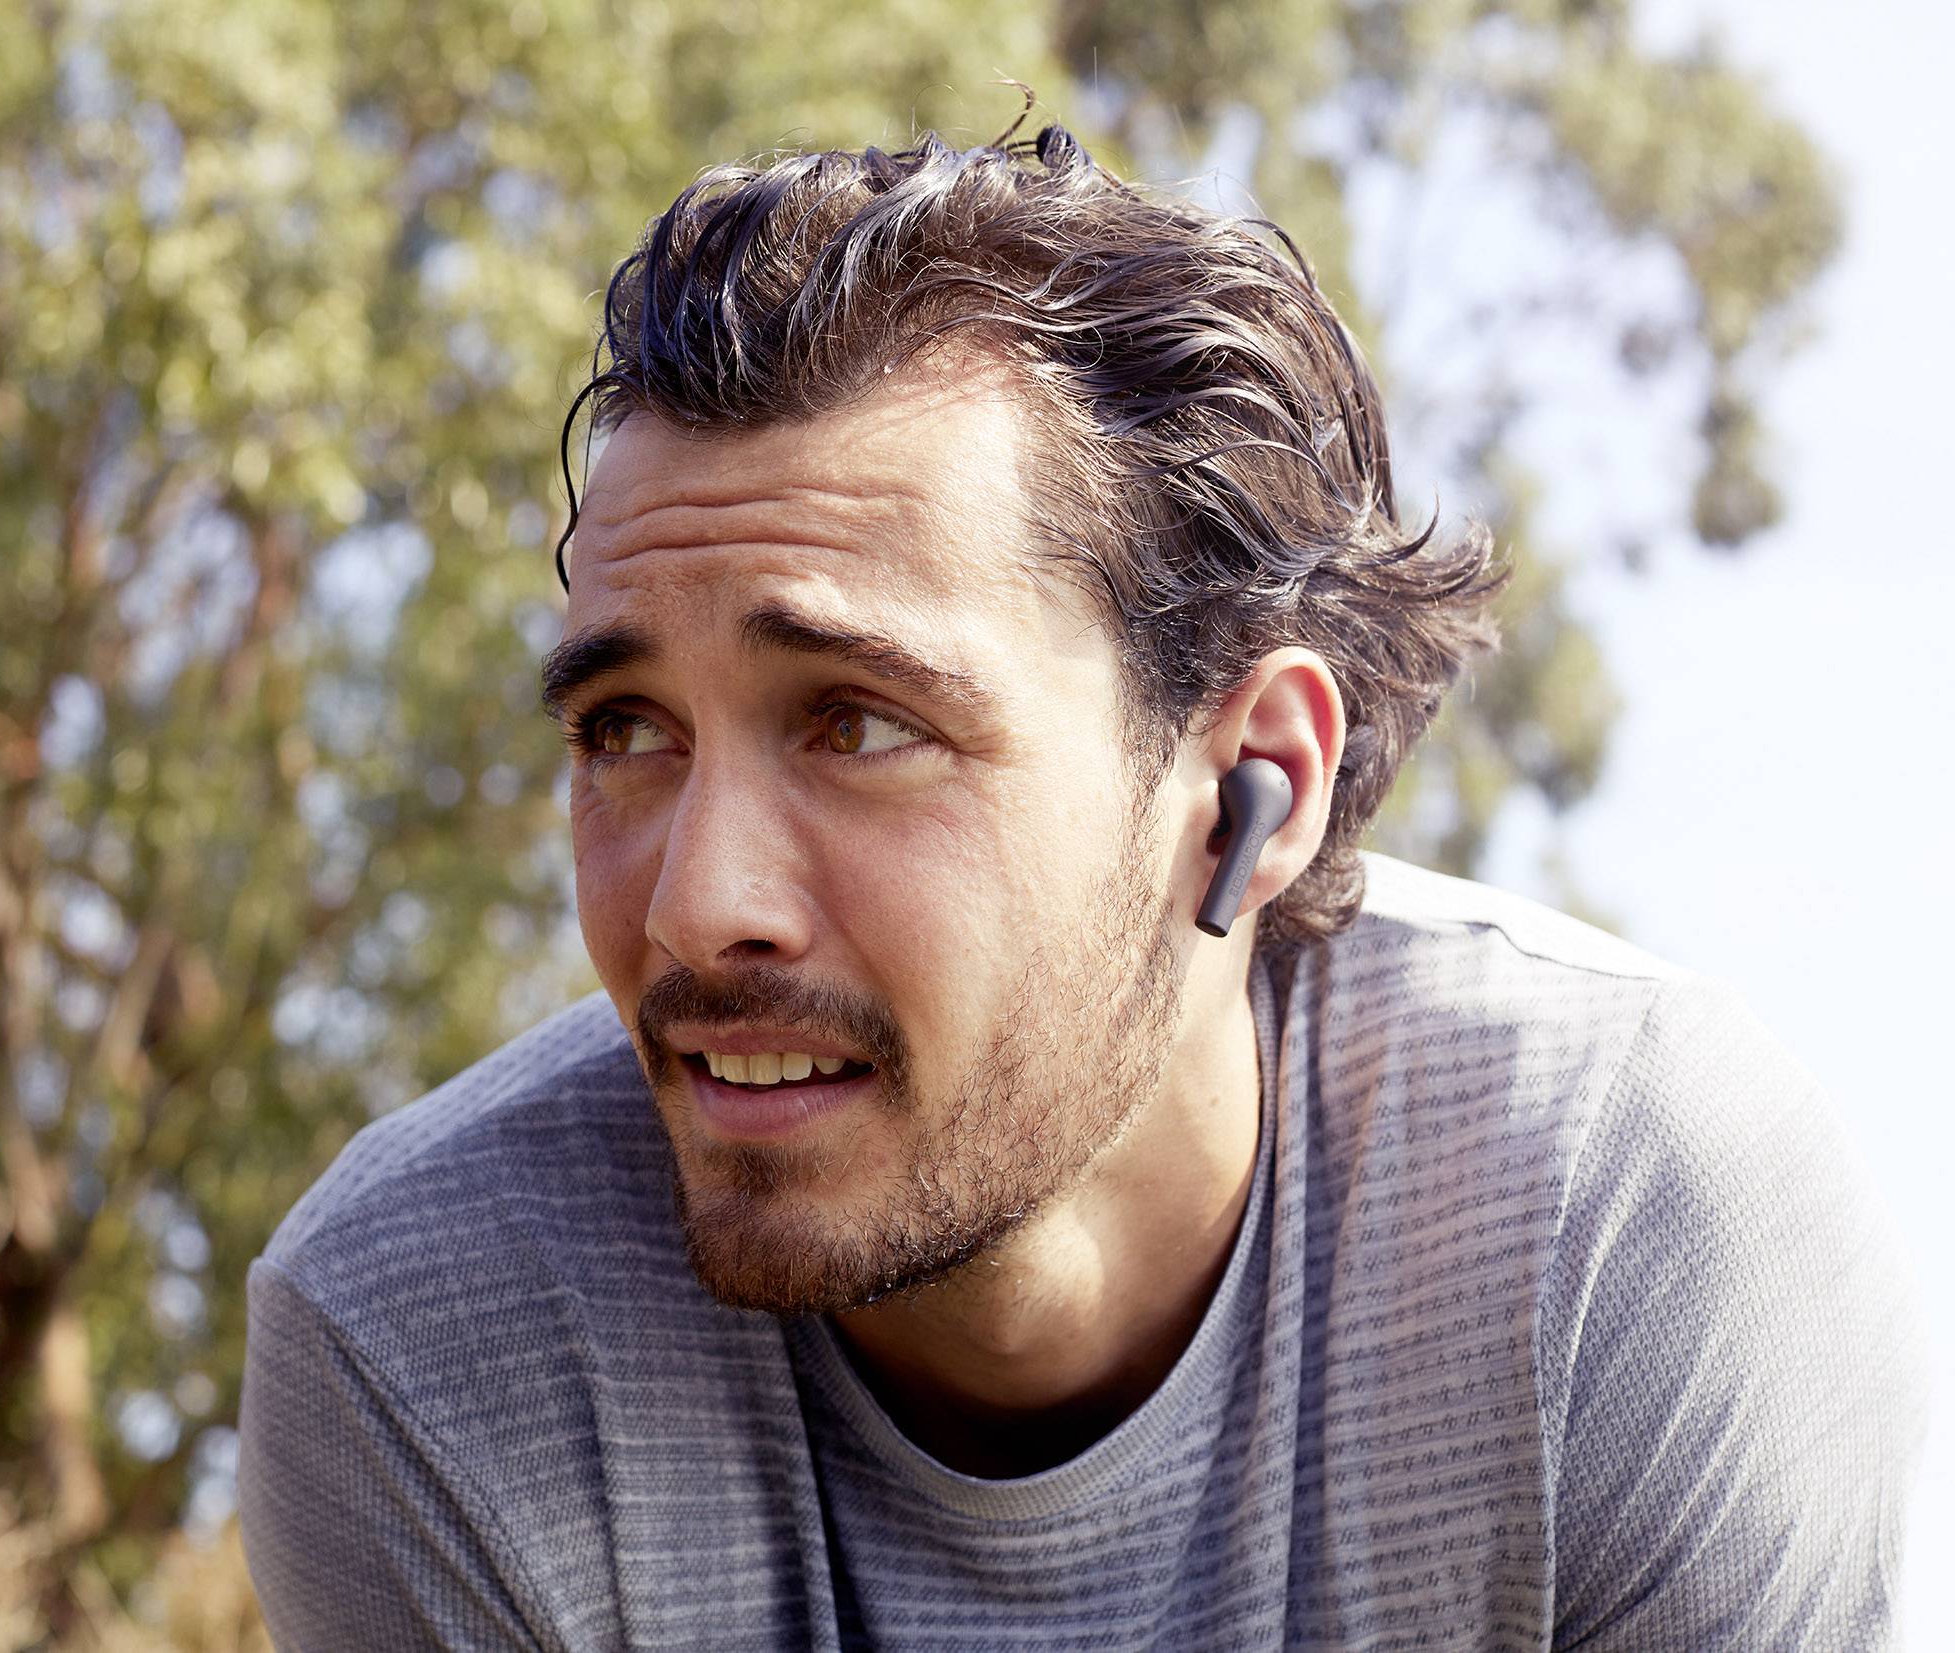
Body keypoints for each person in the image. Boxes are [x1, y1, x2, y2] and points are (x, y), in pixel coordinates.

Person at [237, 120, 1927, 1650]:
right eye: (625, 730)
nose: (693, 905)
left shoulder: (1617, 1227)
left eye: (858, 723)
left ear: (1255, 786)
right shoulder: (429, 1340)